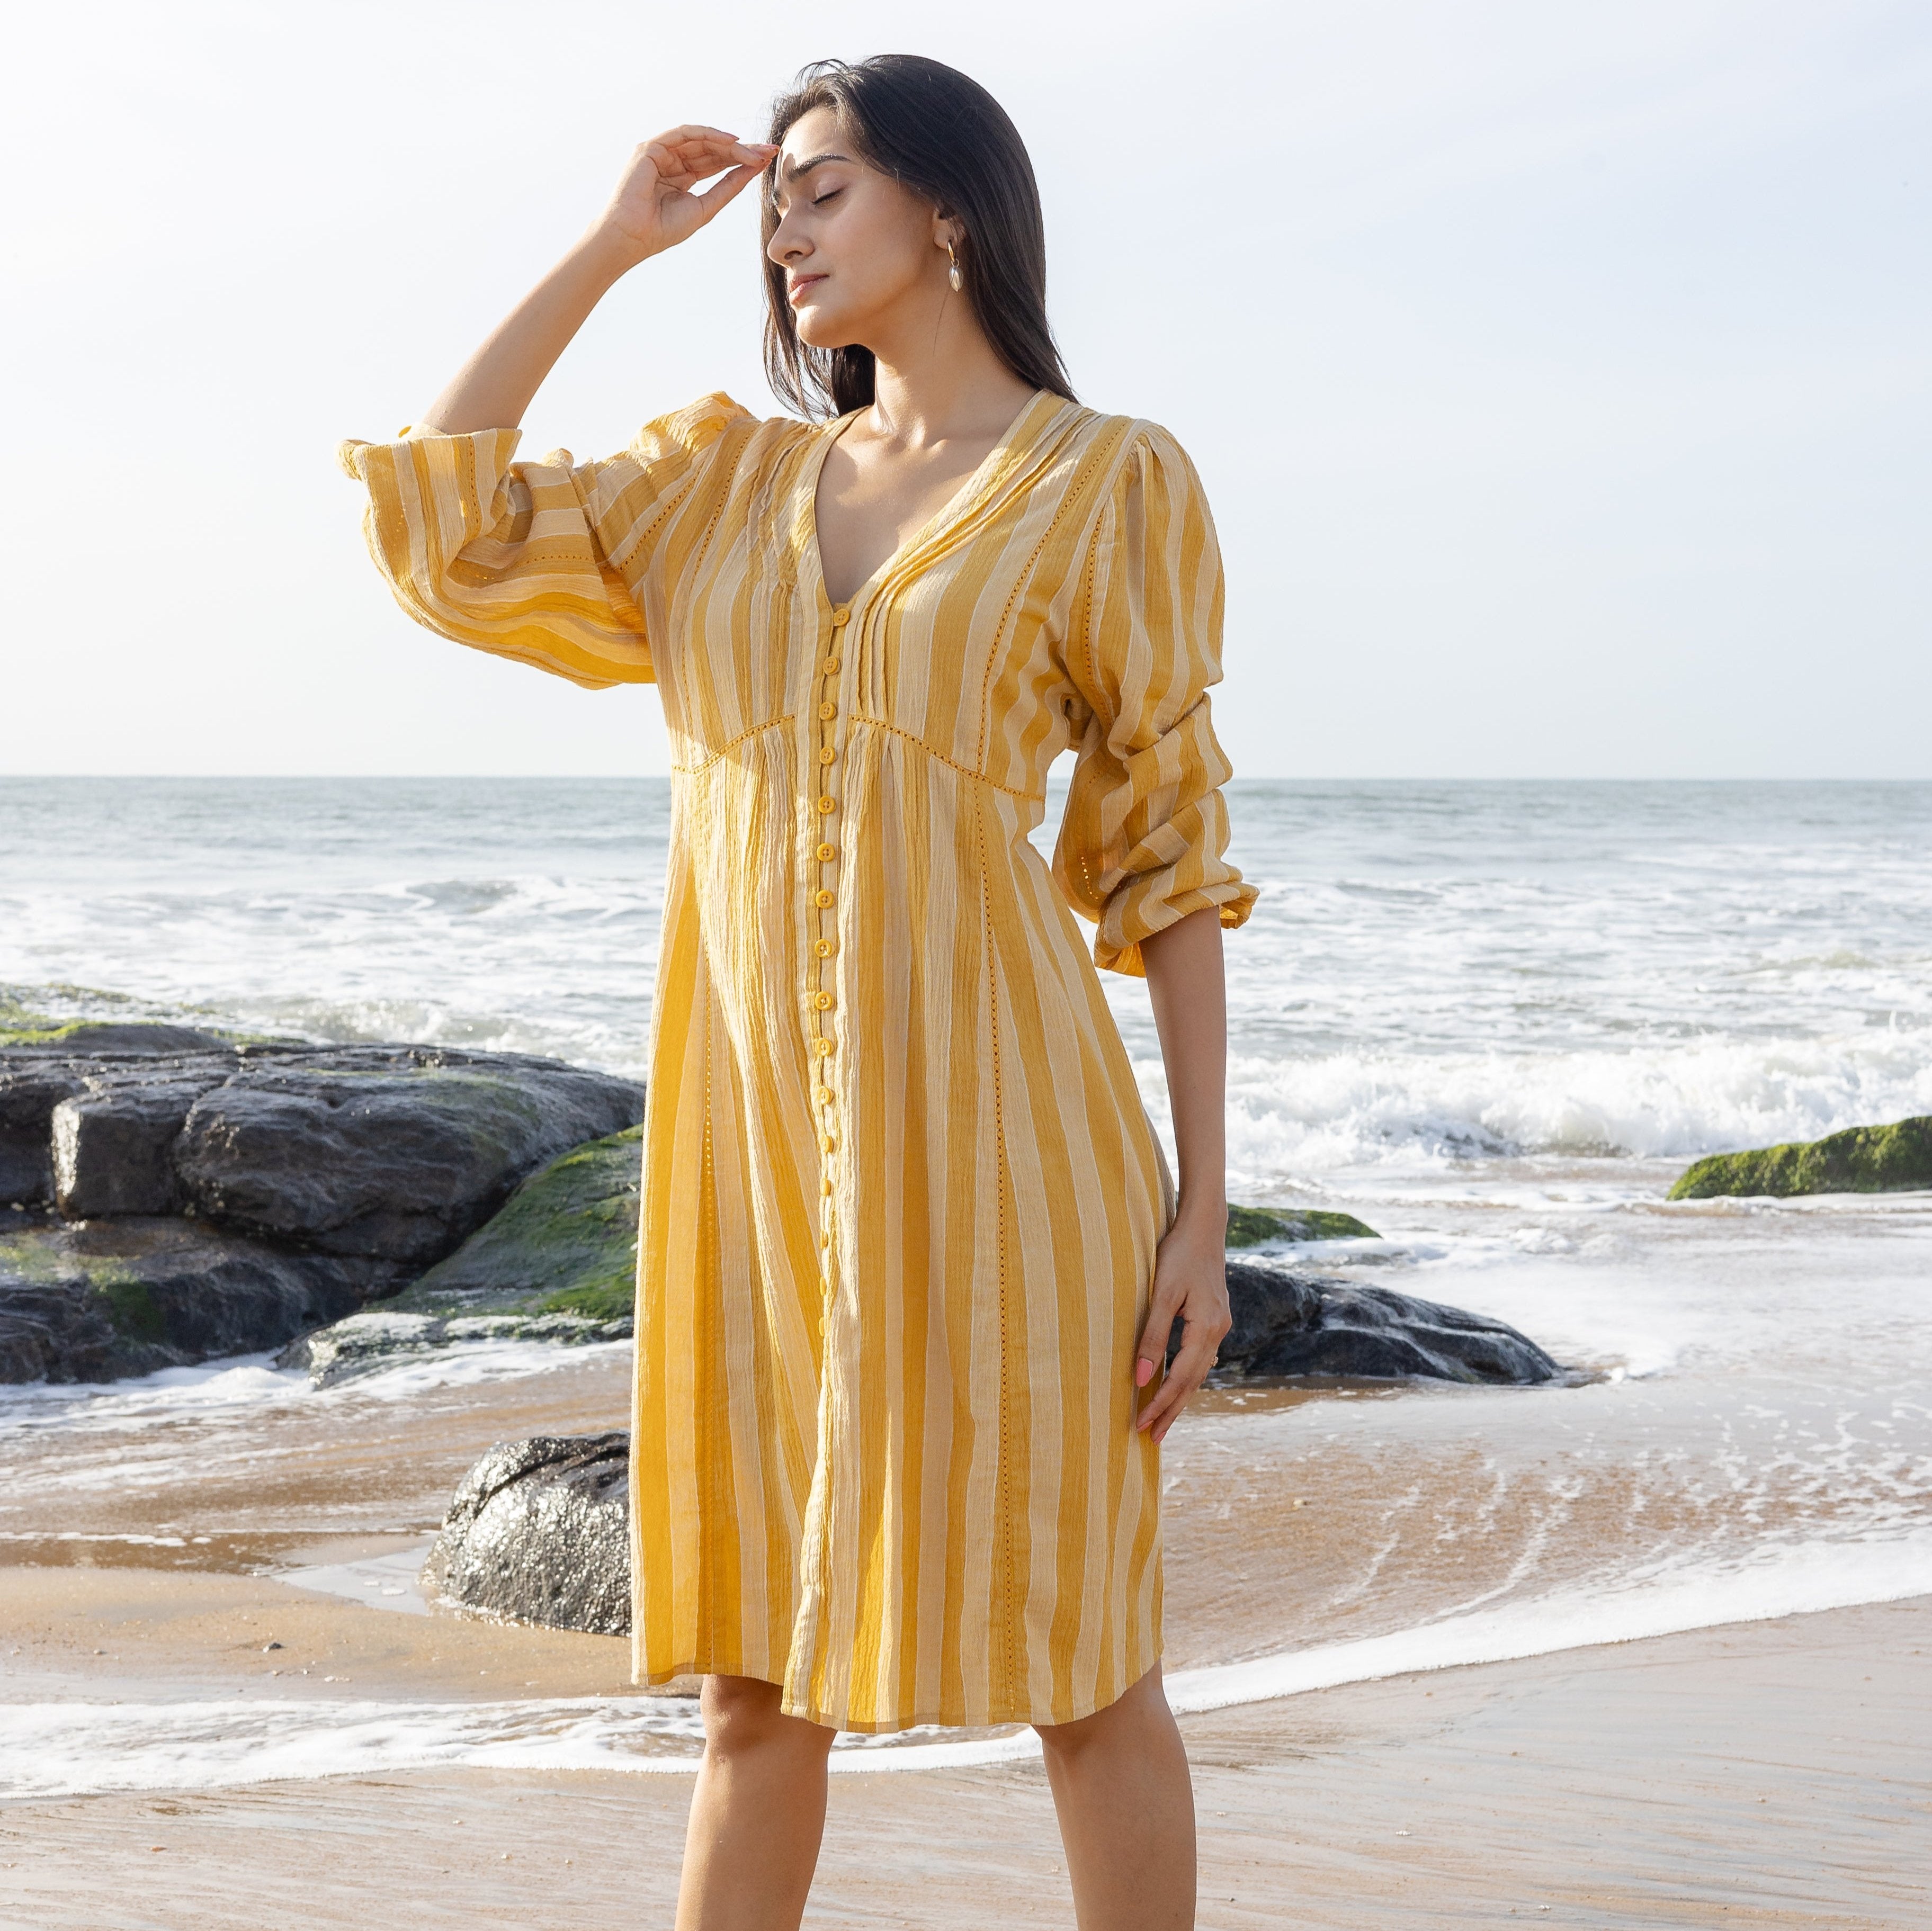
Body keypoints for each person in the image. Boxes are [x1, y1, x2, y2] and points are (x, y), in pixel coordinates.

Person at [341, 53, 1256, 1931]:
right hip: (754, 1173)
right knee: (755, 1689)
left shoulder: (1108, 484)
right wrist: (608, 247)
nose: (781, 237)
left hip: (1013, 1156)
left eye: (821, 191)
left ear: (951, 212)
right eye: (776, 208)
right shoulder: (711, 491)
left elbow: (1168, 861)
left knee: (1084, 1665)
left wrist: (1201, 1214)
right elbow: (443, 531)